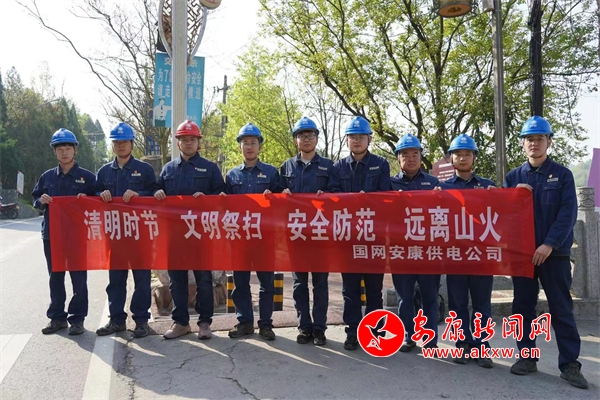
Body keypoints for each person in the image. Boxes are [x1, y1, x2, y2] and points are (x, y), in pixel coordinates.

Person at [503, 116, 588, 389]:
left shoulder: (562, 175)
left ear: (549, 142)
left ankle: (570, 364)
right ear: (522, 144)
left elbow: (567, 213)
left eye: (539, 138)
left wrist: (549, 244)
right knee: (522, 307)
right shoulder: (513, 177)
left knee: (561, 308)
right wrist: (510, 195)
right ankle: (526, 357)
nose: (534, 143)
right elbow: (502, 215)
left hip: (555, 254)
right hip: (523, 256)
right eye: (529, 139)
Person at [154, 120, 225, 340]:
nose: (188, 143)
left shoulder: (210, 168)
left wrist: (209, 198)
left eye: (192, 139)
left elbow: (222, 196)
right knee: (177, 281)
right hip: (175, 236)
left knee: (204, 280)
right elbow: (156, 190)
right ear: (178, 143)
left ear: (198, 142)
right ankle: (181, 323)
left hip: (201, 234)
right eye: (184, 139)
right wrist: (157, 193)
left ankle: (204, 323)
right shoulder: (168, 169)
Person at [327, 116, 391, 350]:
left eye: (361, 137)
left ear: (369, 139)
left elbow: (387, 196)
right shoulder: (338, 167)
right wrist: (351, 200)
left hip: (374, 237)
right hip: (348, 239)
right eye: (352, 137)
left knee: (374, 290)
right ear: (346, 141)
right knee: (350, 290)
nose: (356, 141)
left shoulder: (381, 164)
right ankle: (353, 331)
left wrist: (369, 200)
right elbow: (333, 196)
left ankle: (373, 332)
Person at [438, 134, 496, 368]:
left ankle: (482, 347)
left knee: (482, 304)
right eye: (458, 154)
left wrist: (498, 196)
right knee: (457, 303)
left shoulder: (487, 186)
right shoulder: (443, 188)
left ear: (474, 157)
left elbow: (501, 215)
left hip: (482, 256)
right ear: (451, 158)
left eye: (467, 154)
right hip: (456, 256)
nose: (463, 158)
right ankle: (462, 344)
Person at [95, 122, 157, 338]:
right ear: (112, 145)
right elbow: (92, 198)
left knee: (142, 279)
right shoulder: (104, 172)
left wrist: (140, 195)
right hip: (115, 235)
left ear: (132, 143)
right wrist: (100, 195)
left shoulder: (145, 169)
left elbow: (157, 194)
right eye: (117, 142)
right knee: (116, 280)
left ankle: (141, 321)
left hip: (140, 234)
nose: (121, 145)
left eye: (125, 142)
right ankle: (116, 320)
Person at [32, 129, 96, 335]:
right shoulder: (47, 177)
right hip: (52, 236)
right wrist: (41, 201)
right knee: (55, 277)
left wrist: (87, 200)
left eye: (68, 148)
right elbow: (36, 200)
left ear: (75, 150)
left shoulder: (87, 178)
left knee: (79, 278)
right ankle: (57, 318)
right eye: (60, 149)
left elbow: (100, 203)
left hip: (78, 236)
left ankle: (77, 319)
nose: (64, 152)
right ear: (55, 152)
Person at [221, 123, 281, 341]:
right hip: (239, 239)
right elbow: (225, 207)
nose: (249, 146)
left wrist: (274, 198)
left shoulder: (271, 173)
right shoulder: (232, 175)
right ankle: (244, 322)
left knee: (267, 284)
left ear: (259, 146)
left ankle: (266, 324)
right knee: (240, 284)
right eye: (245, 143)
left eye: (253, 142)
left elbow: (282, 204)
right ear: (240, 147)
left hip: (265, 238)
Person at [280, 116, 333, 346]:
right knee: (299, 284)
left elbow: (338, 195)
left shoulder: (329, 166)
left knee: (320, 284)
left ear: (317, 139)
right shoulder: (287, 167)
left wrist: (328, 196)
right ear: (296, 141)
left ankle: (319, 328)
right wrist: (282, 194)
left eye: (310, 135)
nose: (306, 139)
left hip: (321, 234)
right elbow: (277, 196)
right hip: (297, 234)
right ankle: (304, 327)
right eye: (302, 135)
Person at [390, 134, 441, 353]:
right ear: (398, 158)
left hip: (428, 250)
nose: (410, 158)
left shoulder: (433, 183)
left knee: (430, 296)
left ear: (420, 157)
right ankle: (408, 336)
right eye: (405, 154)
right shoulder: (389, 184)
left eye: (415, 154)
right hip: (400, 249)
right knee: (404, 297)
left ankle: (430, 339)